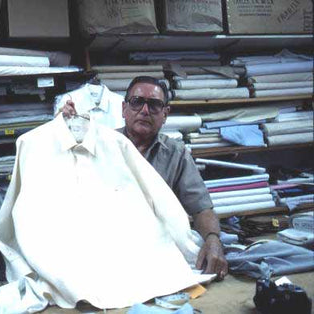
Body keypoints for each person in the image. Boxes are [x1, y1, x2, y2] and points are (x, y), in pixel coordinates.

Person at [61, 76, 228, 279]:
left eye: (155, 105)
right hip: (105, 246)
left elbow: (201, 207)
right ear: (124, 109)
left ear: (165, 114)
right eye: (137, 102)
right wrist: (63, 128)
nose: (145, 111)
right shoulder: (98, 144)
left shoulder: (176, 154)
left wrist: (213, 239)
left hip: (158, 247)